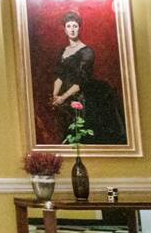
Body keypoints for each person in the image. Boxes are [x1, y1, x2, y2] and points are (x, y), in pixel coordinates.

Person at [51, 9, 126, 145]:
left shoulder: (87, 52)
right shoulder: (63, 51)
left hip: (81, 98)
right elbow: (59, 76)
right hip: (65, 98)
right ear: (64, 29)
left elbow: (81, 80)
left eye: (75, 26)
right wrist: (55, 95)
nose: (72, 29)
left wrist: (63, 97)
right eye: (69, 26)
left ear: (79, 28)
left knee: (81, 134)